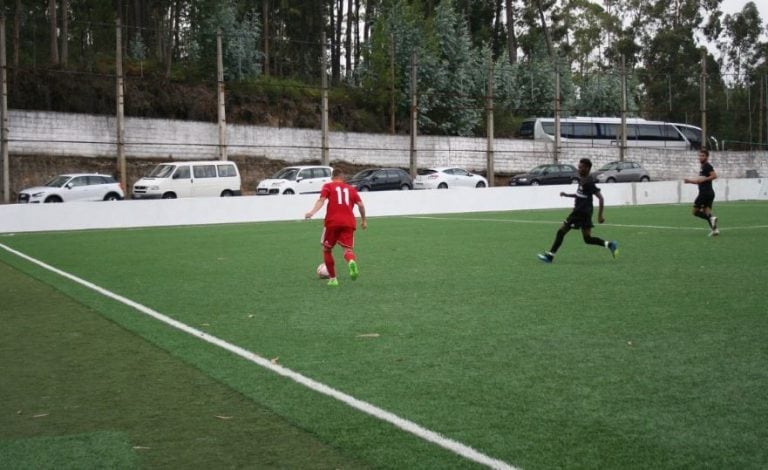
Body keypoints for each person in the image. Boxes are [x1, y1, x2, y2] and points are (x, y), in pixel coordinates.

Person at [538, 158, 619, 263]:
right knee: (587, 239)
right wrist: (567, 195)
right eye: (579, 167)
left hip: (580, 213)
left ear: (587, 168)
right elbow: (579, 195)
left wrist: (600, 216)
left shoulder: (588, 182)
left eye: (581, 167)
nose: (578, 169)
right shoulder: (582, 179)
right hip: (584, 213)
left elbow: (601, 198)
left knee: (561, 232)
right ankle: (610, 245)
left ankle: (550, 256)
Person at [305, 169, 367, 286]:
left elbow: (321, 200)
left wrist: (312, 212)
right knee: (347, 250)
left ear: (332, 177)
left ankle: (333, 279)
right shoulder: (351, 189)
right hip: (349, 222)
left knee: (327, 249)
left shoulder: (328, 186)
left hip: (332, 222)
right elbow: (361, 205)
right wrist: (363, 220)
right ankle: (351, 261)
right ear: (342, 177)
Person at [684, 148, 719, 236]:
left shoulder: (707, 166)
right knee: (706, 211)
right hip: (709, 193)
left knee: (695, 212)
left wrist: (705, 179)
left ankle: (711, 218)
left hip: (704, 193)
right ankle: (715, 230)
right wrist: (689, 181)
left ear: (707, 157)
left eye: (702, 156)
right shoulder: (703, 167)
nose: (700, 157)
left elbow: (714, 176)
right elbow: (699, 181)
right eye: (699, 155)